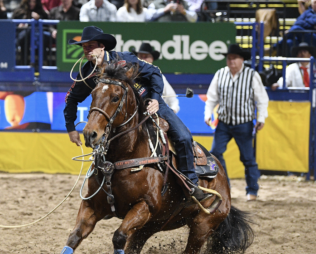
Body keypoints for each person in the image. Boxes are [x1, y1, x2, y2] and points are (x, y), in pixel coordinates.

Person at [64, 26, 208, 201]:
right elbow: (72, 99)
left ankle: (190, 183)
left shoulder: (124, 59)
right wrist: (71, 128)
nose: (87, 50)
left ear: (102, 46)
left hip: (148, 103)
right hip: (119, 117)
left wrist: (155, 99)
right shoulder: (86, 73)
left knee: (184, 137)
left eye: (91, 46)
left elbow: (155, 72)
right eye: (84, 47)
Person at [204, 44, 269, 201]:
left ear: (242, 60)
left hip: (244, 123)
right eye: (229, 58)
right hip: (224, 123)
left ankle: (252, 190)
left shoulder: (252, 75)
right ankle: (225, 187)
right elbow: (211, 97)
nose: (231, 61)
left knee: (248, 158)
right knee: (215, 154)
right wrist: (208, 114)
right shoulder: (220, 74)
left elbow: (262, 99)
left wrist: (261, 118)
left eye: (234, 58)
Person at [134, 42, 179, 113]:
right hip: (134, 117)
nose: (142, 59)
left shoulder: (159, 77)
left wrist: (169, 115)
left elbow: (173, 101)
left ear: (151, 59)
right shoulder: (130, 75)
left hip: (155, 115)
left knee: (178, 124)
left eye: (145, 56)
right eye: (140, 56)